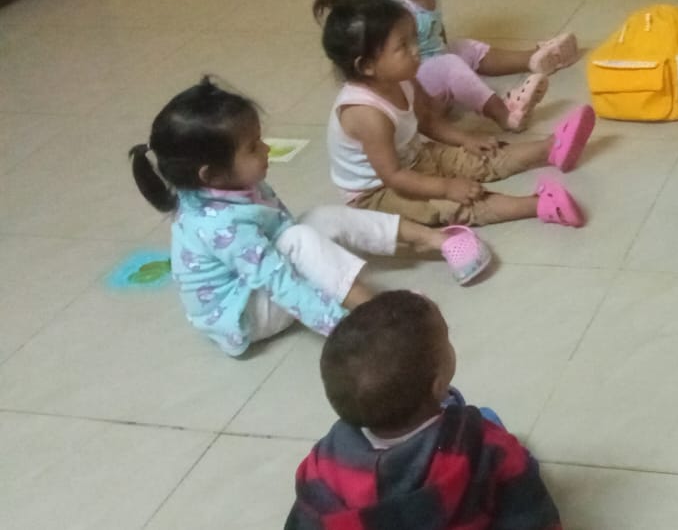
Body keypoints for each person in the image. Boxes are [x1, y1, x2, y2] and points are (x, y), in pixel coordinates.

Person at [129, 78, 488, 357]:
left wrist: (316, 258)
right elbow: (279, 281)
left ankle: (436, 239)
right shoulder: (222, 226)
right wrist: (346, 328)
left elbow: (281, 231)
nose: (266, 149)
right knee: (299, 239)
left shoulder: (231, 184)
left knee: (316, 219)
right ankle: (378, 315)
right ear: (212, 175)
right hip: (243, 315)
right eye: (253, 147)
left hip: (256, 280)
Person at [313, 0, 594, 228]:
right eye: (403, 46)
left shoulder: (403, 77)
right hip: (379, 191)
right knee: (454, 204)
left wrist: (465, 139)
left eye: (414, 40)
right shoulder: (366, 114)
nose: (416, 50)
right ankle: (539, 206)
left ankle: (551, 148)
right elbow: (394, 176)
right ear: (367, 66)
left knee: (477, 155)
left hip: (412, 157)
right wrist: (446, 187)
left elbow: (428, 120)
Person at [288, 291, 562, 530]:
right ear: (438, 384)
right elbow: (531, 518)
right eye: (447, 338)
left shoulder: (321, 466)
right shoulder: (486, 448)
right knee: (496, 426)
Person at [358, 0, 579, 133]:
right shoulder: (392, 12)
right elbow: (387, 66)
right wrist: (422, 104)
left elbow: (438, 32)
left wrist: (447, 57)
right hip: (413, 80)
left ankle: (532, 58)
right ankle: (504, 113)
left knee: (466, 48)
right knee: (451, 63)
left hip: (432, 59)